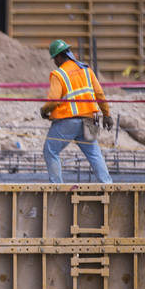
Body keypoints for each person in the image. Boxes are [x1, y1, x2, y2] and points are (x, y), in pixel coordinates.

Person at [40, 39, 114, 185]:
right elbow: (99, 94)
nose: (55, 62)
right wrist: (107, 115)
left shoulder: (58, 74)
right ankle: (107, 184)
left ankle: (57, 187)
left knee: (50, 151)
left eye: (55, 58)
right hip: (89, 120)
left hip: (68, 121)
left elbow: (54, 100)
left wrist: (44, 110)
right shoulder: (86, 70)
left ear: (60, 57)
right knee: (94, 153)